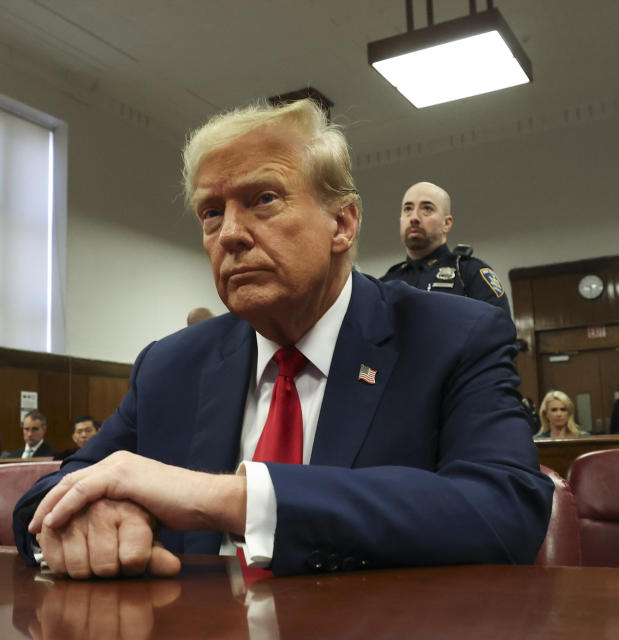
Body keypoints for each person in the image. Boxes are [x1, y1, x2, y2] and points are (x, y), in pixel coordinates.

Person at [14, 98, 552, 580]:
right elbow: (57, 490)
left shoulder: (453, 336)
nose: (230, 234)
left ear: (342, 223)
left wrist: (232, 500)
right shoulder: (169, 365)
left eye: (264, 199)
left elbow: (505, 511)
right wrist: (92, 516)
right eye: (211, 212)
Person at [381, 182, 510, 315]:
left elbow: (500, 328)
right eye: (408, 209)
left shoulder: (468, 273)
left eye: (427, 208)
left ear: (447, 223)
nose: (414, 218)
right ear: (400, 219)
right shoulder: (386, 283)